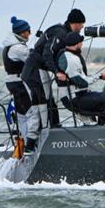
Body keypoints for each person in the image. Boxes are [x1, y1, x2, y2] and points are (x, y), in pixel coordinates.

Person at [21, 8, 86, 146]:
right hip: (35, 69)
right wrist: (57, 72)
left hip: (37, 69)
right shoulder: (61, 33)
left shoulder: (64, 32)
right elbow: (47, 53)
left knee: (47, 101)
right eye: (81, 24)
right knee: (43, 102)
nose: (82, 27)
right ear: (75, 23)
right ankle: (44, 135)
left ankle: (49, 129)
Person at [55, 32, 105, 114]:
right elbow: (82, 82)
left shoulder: (68, 54)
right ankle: (87, 116)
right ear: (77, 44)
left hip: (77, 95)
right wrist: (99, 76)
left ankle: (91, 119)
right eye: (81, 43)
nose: (82, 45)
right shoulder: (71, 59)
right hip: (72, 99)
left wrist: (100, 76)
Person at [2, 16, 34, 149]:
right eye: (28, 31)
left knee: (21, 114)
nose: (30, 33)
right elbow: (32, 59)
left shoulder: (10, 46)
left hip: (12, 82)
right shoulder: (17, 48)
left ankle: (23, 141)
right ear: (21, 33)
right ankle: (28, 143)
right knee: (30, 112)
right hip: (19, 83)